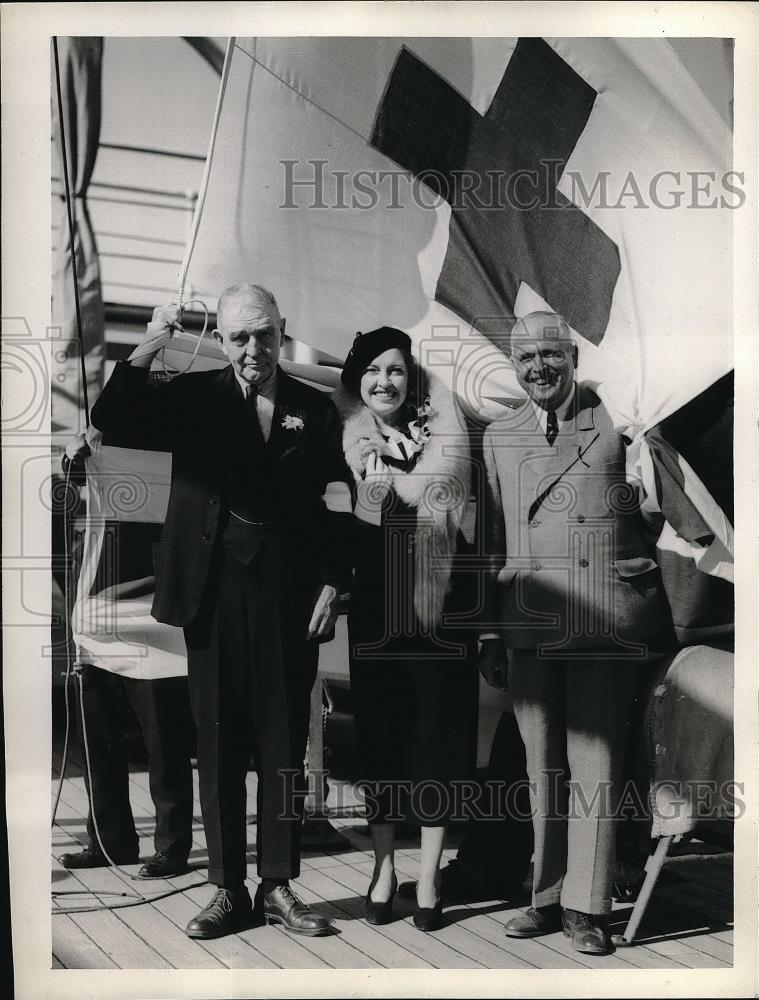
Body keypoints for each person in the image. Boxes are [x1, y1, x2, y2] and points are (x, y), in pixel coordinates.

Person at [90, 284, 351, 940]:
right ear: (224, 338)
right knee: (219, 741)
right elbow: (115, 417)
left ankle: (278, 886)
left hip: (288, 597)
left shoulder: (312, 410)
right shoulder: (193, 398)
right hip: (212, 592)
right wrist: (151, 340)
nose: (252, 349)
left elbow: (335, 504)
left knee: (283, 743)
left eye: (263, 335)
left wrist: (333, 583)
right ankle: (227, 889)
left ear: (280, 330)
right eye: (238, 337)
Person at [479, 311, 673, 955]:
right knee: (542, 767)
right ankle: (545, 894)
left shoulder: (618, 421)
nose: (539, 368)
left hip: (600, 615)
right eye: (525, 357)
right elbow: (492, 541)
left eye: (550, 355)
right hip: (529, 618)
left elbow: (655, 513)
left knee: (596, 763)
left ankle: (587, 908)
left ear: (573, 358)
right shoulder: (500, 436)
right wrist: (487, 631)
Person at [333, 327, 478, 932]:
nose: (383, 381)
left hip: (443, 608)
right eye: (372, 371)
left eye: (395, 370)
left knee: (438, 739)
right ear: (357, 381)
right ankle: (385, 867)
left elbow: (471, 521)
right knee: (383, 737)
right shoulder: (354, 447)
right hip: (377, 609)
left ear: (411, 379)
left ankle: (429, 873)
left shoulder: (446, 440)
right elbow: (347, 529)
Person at [57, 440, 196, 879]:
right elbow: (71, 499)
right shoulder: (100, 441)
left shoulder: (178, 443)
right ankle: (108, 839)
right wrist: (74, 459)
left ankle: (172, 846)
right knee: (99, 739)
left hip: (154, 612)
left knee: (165, 740)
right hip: (97, 612)